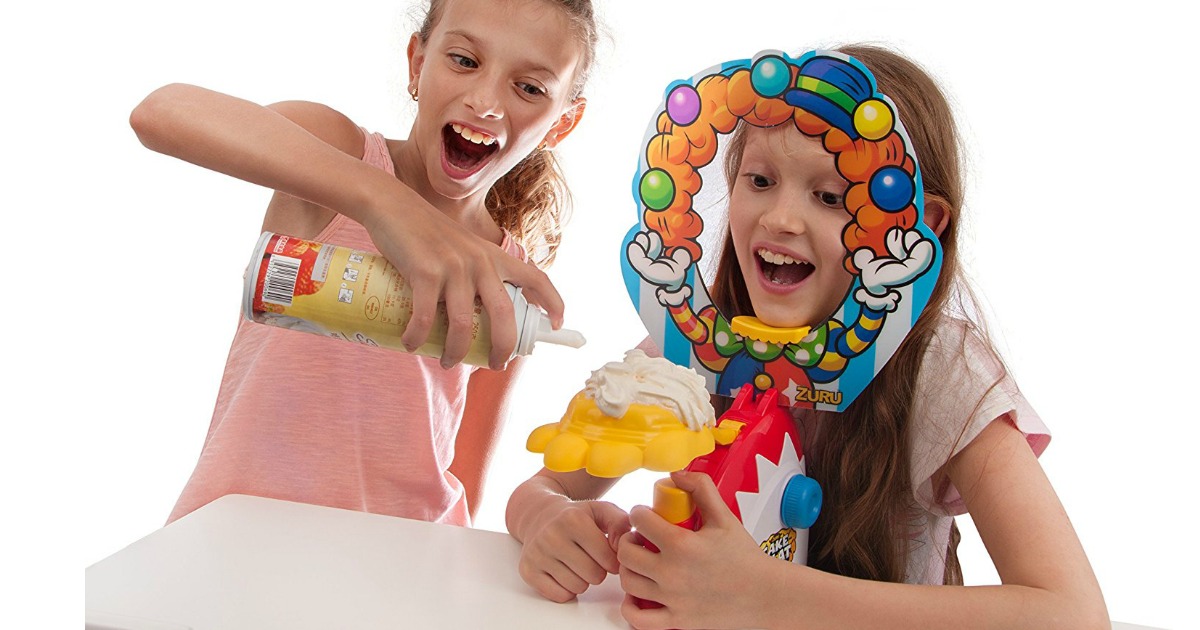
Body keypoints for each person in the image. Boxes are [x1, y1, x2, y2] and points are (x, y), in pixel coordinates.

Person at [505, 44, 1110, 628]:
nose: (780, 219)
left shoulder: (938, 367)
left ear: (917, 229)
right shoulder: (694, 346)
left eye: (829, 197)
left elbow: (1073, 615)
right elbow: (544, 485)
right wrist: (547, 520)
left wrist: (768, 597)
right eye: (759, 180)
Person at [129, 0, 599, 526]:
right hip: (237, 535)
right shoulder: (336, 156)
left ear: (562, 123)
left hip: (401, 556)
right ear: (417, 63)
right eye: (465, 60)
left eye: (530, 88)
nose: (485, 102)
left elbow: (463, 483)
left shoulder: (508, 279)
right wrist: (384, 202)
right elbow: (162, 111)